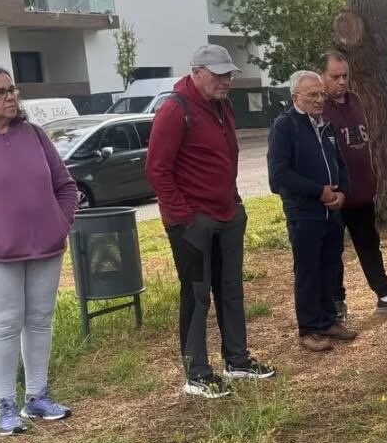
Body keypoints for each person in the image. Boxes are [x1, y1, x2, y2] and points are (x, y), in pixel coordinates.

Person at [145, 44, 275, 398]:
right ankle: (197, 373)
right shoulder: (175, 109)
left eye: (228, 74)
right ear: (196, 72)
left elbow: (224, 159)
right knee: (197, 295)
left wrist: (234, 202)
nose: (225, 80)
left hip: (227, 215)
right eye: (218, 74)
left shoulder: (222, 106)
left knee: (230, 290)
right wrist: (185, 217)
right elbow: (157, 170)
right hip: (193, 223)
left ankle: (237, 360)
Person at [0, 68, 77, 434]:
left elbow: (66, 185)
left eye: (11, 89)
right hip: (1, 252)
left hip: (47, 246)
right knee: (6, 325)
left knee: (40, 320)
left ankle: (37, 397)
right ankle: (5, 404)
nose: (10, 97)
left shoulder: (35, 135)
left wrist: (61, 222)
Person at [318, 50, 387, 319]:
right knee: (333, 252)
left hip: (362, 193)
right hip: (334, 196)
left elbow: (365, 142)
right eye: (334, 76)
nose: (341, 82)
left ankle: (385, 296)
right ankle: (337, 302)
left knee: (370, 245)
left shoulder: (356, 101)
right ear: (321, 76)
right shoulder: (319, 108)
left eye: (345, 76)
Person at [267, 71, 358, 353]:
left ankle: (328, 319)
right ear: (296, 97)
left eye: (321, 94)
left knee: (331, 267)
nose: (319, 100)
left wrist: (342, 192)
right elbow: (279, 176)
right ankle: (309, 327)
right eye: (312, 95)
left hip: (332, 212)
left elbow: (340, 165)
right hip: (304, 211)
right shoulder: (285, 126)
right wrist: (318, 191)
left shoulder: (326, 126)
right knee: (308, 270)